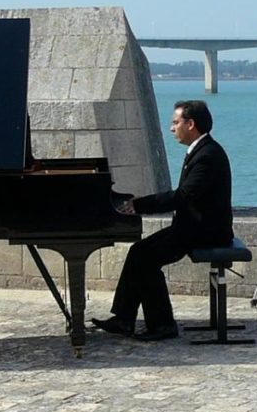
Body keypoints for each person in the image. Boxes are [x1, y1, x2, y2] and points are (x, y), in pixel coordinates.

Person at [91, 100, 234, 341]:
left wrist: (139, 205)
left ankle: (162, 325)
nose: (171, 128)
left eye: (175, 122)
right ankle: (124, 319)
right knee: (140, 252)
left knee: (145, 257)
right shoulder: (202, 150)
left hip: (205, 232)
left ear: (191, 124)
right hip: (193, 227)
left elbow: (182, 196)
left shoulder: (208, 155)